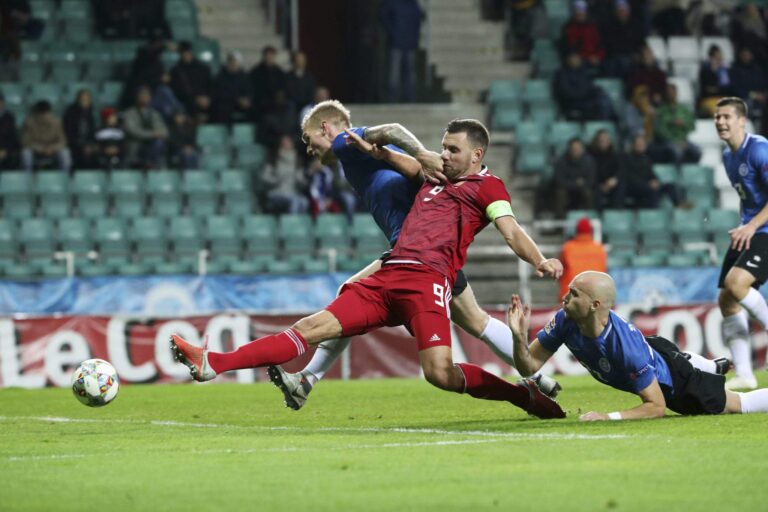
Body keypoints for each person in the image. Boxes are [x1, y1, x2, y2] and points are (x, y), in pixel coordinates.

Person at [170, 115, 566, 419]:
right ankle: (214, 363)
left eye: (452, 150)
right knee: (309, 327)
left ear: (476, 155)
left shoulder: (489, 188)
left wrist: (539, 259)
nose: (443, 155)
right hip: (389, 273)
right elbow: (405, 161)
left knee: (440, 374)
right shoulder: (433, 176)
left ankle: (523, 395)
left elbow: (511, 230)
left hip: (428, 280)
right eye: (443, 147)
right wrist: (380, 153)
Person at [508, 270, 768, 419]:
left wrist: (608, 417)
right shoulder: (565, 320)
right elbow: (529, 367)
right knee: (665, 357)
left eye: (574, 294)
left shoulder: (624, 347)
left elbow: (656, 406)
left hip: (677, 381)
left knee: (738, 405)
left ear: (595, 305)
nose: (565, 297)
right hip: (655, 349)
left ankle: (704, 368)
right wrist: (519, 339)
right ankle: (708, 365)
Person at [714, 97, 768, 391]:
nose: (720, 121)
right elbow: (749, 198)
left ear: (742, 120)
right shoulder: (728, 156)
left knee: (736, 284)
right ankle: (745, 374)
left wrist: (751, 226)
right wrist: (744, 226)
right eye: (717, 117)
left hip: (764, 230)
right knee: (727, 298)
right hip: (750, 229)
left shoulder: (759, 149)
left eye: (727, 116)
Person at [621, 133, 686, 208]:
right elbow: (629, 176)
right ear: (633, 145)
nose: (641, 146)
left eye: (642, 144)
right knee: (652, 190)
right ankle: (653, 211)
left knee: (670, 186)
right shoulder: (626, 158)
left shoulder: (646, 159)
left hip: (648, 185)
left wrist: (656, 181)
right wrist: (648, 183)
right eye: (638, 144)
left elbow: (651, 174)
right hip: (635, 187)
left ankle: (679, 205)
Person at [379, 0, 424, 102]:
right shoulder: (404, 3)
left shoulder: (411, 3)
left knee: (403, 73)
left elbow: (419, 17)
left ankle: (405, 98)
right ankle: (398, 98)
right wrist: (392, 33)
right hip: (400, 42)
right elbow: (383, 17)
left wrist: (392, 33)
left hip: (405, 42)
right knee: (398, 73)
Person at [553, 52, 614, 121]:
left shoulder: (583, 72)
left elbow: (589, 87)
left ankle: (609, 122)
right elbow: (566, 93)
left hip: (585, 101)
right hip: (571, 103)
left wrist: (595, 91)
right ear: (568, 60)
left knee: (603, 98)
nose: (577, 61)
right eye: (574, 58)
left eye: (578, 59)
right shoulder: (561, 74)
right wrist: (585, 93)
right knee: (598, 104)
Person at [650, 83, 701, 165]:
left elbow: (692, 126)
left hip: (683, 140)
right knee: (677, 152)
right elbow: (659, 130)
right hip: (667, 141)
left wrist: (683, 124)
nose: (671, 95)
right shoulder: (661, 110)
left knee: (697, 151)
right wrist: (675, 141)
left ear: (676, 93)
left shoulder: (683, 109)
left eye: (672, 92)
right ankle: (677, 172)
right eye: (668, 93)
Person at [558, 218, 607, 301]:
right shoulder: (599, 249)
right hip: (594, 295)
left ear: (576, 230)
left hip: (571, 295)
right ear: (590, 231)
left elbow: (560, 271)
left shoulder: (568, 248)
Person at [261, 134, 309, 214]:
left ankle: (298, 220)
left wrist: (300, 180)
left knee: (304, 201)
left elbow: (302, 181)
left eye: (288, 143)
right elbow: (264, 177)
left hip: (292, 192)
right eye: (284, 143)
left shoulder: (297, 162)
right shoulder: (274, 160)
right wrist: (276, 180)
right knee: (294, 200)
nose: (286, 145)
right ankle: (291, 221)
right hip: (276, 193)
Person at [123, 86, 168, 169]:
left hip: (152, 147)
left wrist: (157, 134)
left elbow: (164, 131)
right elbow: (132, 131)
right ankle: (147, 163)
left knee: (160, 142)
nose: (145, 97)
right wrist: (152, 134)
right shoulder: (129, 113)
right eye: (142, 95)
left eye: (147, 95)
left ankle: (150, 163)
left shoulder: (154, 114)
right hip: (136, 145)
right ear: (137, 97)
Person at [21, 100, 71, 172]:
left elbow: (62, 141)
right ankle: (27, 175)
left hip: (53, 149)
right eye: (41, 113)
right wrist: (41, 149)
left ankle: (64, 175)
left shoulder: (57, 122)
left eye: (46, 113)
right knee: (25, 153)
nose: (44, 116)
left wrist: (52, 148)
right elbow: (26, 141)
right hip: (36, 150)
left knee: (65, 153)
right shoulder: (29, 122)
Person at [170, 41, 213, 123]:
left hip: (206, 99)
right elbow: (178, 90)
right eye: (183, 53)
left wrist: (208, 97)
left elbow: (211, 85)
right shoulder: (176, 70)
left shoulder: (203, 68)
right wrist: (196, 98)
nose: (186, 55)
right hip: (188, 101)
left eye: (187, 52)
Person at [552, 137, 596, 218]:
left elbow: (591, 180)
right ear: (569, 149)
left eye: (578, 148)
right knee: (560, 193)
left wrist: (579, 184)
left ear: (582, 149)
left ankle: (589, 217)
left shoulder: (589, 161)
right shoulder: (561, 161)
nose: (576, 151)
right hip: (567, 188)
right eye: (574, 149)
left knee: (588, 193)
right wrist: (575, 183)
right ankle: (560, 219)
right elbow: (559, 181)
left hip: (582, 188)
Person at [560, 0, 604, 74]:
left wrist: (598, 56)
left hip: (593, 58)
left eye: (582, 11)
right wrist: (571, 56)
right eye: (578, 11)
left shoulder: (593, 27)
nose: (580, 13)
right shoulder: (568, 28)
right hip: (578, 59)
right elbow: (567, 47)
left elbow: (601, 45)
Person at [212, 50, 253, 124]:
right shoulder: (220, 77)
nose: (233, 64)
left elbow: (248, 90)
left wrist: (247, 99)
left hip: (240, 104)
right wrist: (237, 99)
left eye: (235, 62)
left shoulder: (244, 77)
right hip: (226, 104)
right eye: (231, 62)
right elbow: (219, 93)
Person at [588, 129, 624, 209]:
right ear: (596, 141)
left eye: (606, 139)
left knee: (621, 186)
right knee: (593, 189)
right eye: (601, 139)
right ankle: (598, 213)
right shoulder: (590, 154)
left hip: (610, 183)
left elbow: (620, 170)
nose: (603, 141)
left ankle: (616, 211)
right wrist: (600, 185)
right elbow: (590, 172)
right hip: (596, 183)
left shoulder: (615, 154)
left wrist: (614, 179)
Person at [63, 89, 98, 169]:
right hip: (74, 143)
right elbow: (69, 132)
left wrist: (90, 144)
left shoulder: (93, 113)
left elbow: (94, 131)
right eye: (82, 99)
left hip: (89, 144)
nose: (85, 101)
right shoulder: (70, 112)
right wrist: (81, 145)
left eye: (87, 99)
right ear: (78, 99)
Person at [250, 46, 286, 123]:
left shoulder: (279, 72)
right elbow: (253, 88)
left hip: (275, 102)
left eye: (271, 56)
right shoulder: (256, 71)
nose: (269, 58)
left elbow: (282, 88)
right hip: (261, 101)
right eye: (267, 55)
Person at [698, 45, 731, 118]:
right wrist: (713, 72)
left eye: (720, 57)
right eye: (716, 57)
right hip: (709, 99)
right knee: (718, 111)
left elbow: (727, 88)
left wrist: (717, 89)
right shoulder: (705, 70)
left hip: (722, 98)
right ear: (711, 58)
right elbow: (707, 89)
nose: (719, 59)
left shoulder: (723, 71)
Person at [0, 92, 20, 169]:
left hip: (6, 149)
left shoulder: (9, 117)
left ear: (3, 103)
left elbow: (12, 137)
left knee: (12, 156)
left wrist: (5, 150)